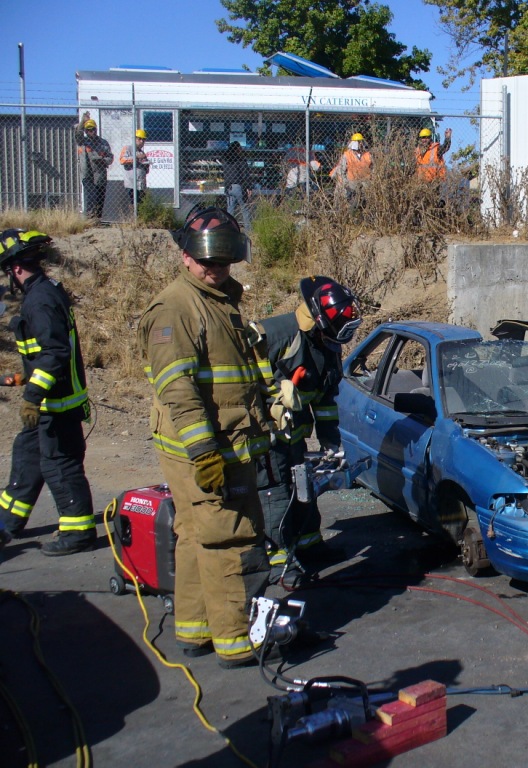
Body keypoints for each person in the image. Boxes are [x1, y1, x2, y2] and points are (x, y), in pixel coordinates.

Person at [138, 206, 272, 668]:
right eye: (209, 262)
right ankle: (235, 639)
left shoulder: (218, 301)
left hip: (222, 440)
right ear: (186, 256)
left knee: (195, 533)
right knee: (227, 534)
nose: (218, 270)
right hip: (206, 447)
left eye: (225, 261)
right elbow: (177, 390)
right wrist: (204, 453)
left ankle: (194, 630)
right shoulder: (175, 309)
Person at [248, 276, 362, 579]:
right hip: (266, 437)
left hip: (294, 435)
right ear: (318, 318)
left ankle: (310, 545)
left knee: (302, 485)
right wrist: (275, 395)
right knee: (276, 493)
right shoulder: (275, 335)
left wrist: (330, 445)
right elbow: (241, 382)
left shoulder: (329, 342)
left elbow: (325, 398)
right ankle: (279, 563)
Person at [0, 229, 95, 555]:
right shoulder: (44, 292)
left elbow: (54, 353)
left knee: (59, 464)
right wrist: (23, 379)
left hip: (56, 404)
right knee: (27, 453)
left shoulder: (39, 301)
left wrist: (31, 396)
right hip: (48, 402)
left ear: (14, 269)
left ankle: (78, 531)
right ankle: (7, 521)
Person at [74, 113, 113, 220]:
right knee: (90, 198)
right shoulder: (83, 142)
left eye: (94, 129)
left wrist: (103, 161)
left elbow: (110, 158)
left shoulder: (103, 143)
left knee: (100, 199)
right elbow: (77, 133)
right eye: (89, 129)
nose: (92, 131)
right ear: (86, 131)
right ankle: (89, 220)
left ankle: (97, 220)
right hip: (87, 175)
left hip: (100, 175)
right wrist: (83, 121)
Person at [329, 133, 373, 207]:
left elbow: (373, 168)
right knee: (350, 204)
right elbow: (340, 171)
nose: (361, 144)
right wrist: (346, 184)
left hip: (365, 183)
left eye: (361, 142)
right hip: (351, 183)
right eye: (359, 142)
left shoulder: (368, 154)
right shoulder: (347, 155)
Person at [222, 142, 252, 229]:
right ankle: (248, 231)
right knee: (245, 210)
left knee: (230, 211)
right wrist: (248, 187)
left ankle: (229, 229)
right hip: (238, 187)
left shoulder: (226, 160)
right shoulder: (240, 160)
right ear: (237, 149)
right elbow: (245, 174)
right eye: (240, 148)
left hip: (229, 187)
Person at [119, 129, 150, 210]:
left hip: (141, 184)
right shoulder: (128, 148)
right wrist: (135, 157)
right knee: (134, 204)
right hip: (131, 183)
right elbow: (122, 160)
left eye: (143, 139)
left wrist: (147, 165)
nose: (142, 141)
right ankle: (134, 219)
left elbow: (146, 170)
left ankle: (140, 220)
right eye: (139, 139)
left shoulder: (142, 153)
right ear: (135, 139)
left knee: (141, 205)